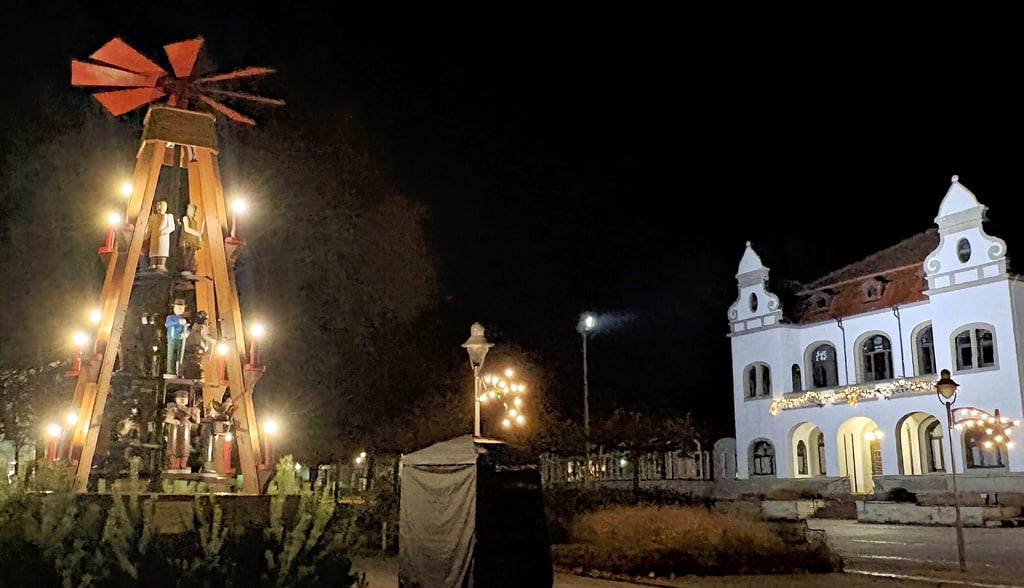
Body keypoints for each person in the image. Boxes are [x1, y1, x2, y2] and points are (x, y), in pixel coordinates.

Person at [164, 389, 199, 471]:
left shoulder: (189, 410)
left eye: (185, 398)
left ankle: (183, 464)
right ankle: (173, 464)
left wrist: (195, 413)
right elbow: (166, 418)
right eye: (180, 398)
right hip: (174, 431)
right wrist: (174, 421)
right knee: (174, 449)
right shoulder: (173, 409)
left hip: (186, 432)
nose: (182, 400)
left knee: (185, 449)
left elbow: (197, 421)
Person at [179, 310, 216, 380]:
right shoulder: (198, 327)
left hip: (194, 351)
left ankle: (193, 376)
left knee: (194, 364)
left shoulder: (198, 327)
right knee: (192, 365)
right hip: (192, 351)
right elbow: (205, 336)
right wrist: (213, 341)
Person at [146, 200, 175, 272]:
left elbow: (172, 227)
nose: (159, 207)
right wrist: (146, 236)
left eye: (162, 205)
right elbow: (149, 228)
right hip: (154, 237)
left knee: (162, 250)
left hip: (163, 237)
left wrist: (164, 231)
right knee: (153, 251)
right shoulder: (153, 217)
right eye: (158, 205)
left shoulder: (169, 216)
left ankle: (161, 264)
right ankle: (153, 263)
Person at [165, 299, 188, 377]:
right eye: (178, 308)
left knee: (179, 354)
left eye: (181, 308)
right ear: (174, 308)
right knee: (171, 355)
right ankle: (170, 371)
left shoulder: (184, 320)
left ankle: (179, 371)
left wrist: (186, 334)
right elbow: (167, 324)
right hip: (172, 338)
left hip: (180, 339)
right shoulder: (170, 317)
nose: (179, 310)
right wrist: (178, 322)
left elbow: (187, 329)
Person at [180, 203, 203, 275]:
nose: (192, 212)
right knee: (187, 256)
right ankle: (186, 269)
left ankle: (189, 269)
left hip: (193, 243)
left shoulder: (194, 222)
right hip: (186, 242)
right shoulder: (185, 218)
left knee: (191, 256)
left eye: (193, 210)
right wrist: (198, 234)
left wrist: (198, 240)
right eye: (191, 210)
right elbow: (187, 229)